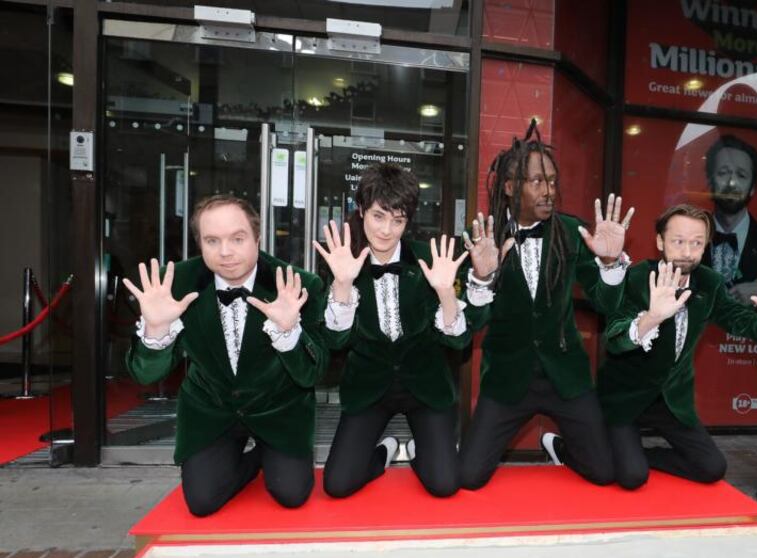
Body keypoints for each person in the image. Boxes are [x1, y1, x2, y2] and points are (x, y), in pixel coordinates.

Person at [124, 195, 328, 516]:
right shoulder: (173, 284)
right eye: (212, 240)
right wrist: (157, 330)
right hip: (211, 409)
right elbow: (145, 375)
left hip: (279, 409)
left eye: (237, 238)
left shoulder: (298, 285)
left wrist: (289, 332)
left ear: (258, 239)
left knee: (291, 494)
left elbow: (312, 375)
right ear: (200, 243)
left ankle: (270, 453)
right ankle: (253, 460)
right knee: (202, 502)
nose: (225, 252)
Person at [458, 120, 633, 489]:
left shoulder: (572, 233)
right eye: (536, 181)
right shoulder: (485, 241)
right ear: (509, 187)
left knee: (603, 474)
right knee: (469, 478)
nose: (548, 190)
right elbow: (470, 326)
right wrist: (483, 278)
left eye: (552, 181)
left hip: (565, 374)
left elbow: (606, 303)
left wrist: (611, 264)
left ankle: (560, 448)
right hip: (507, 377)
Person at [598, 203, 757, 489]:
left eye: (696, 243)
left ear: (706, 245)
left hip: (671, 399)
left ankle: (633, 455)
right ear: (660, 241)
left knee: (711, 468)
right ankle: (599, 452)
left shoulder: (709, 282)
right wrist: (652, 317)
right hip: (625, 396)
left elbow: (745, 324)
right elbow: (615, 340)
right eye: (678, 241)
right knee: (632, 478)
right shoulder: (636, 278)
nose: (687, 251)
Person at [317, 163, 470, 498]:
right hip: (369, 385)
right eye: (378, 217)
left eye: (398, 220)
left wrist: (446, 293)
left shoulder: (428, 259)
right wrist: (342, 284)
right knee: (337, 485)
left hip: (425, 385)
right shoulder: (344, 261)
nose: (387, 230)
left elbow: (459, 340)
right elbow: (335, 342)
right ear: (361, 211)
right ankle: (384, 452)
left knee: (445, 485)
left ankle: (418, 450)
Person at [701, 134, 757, 302]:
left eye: (741, 175)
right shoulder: (688, 239)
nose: (732, 183)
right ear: (710, 181)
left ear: (753, 188)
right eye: (723, 173)